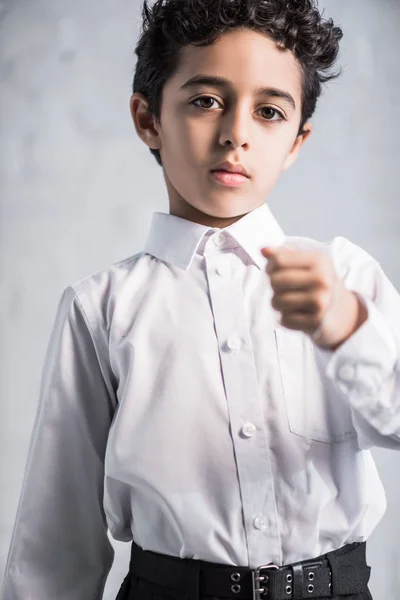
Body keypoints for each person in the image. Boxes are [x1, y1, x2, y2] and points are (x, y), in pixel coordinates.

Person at [2, 0, 400, 599]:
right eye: (205, 100)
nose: (236, 132)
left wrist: (349, 330)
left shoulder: (341, 277)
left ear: (296, 141)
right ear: (148, 119)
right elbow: (55, 541)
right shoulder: (100, 309)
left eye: (269, 111)